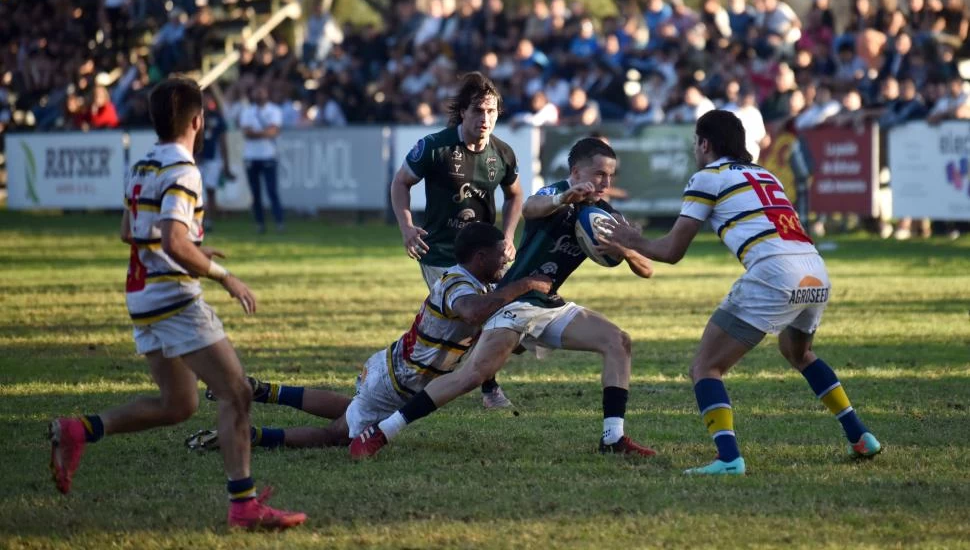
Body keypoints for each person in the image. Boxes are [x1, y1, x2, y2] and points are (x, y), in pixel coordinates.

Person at [47, 77, 306, 530]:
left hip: (142, 296)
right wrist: (224, 276)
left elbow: (130, 232)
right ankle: (243, 505)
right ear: (197, 120)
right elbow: (172, 238)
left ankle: (79, 430)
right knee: (237, 391)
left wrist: (186, 247)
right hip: (172, 298)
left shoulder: (142, 163)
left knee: (179, 404)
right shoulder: (185, 170)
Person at [597, 110, 882, 476]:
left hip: (774, 274)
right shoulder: (765, 174)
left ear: (705, 143)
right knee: (800, 353)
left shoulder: (706, 177)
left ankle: (729, 458)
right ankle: (860, 435)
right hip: (815, 269)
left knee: (705, 367)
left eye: (695, 143)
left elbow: (671, 252)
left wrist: (630, 241)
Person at [350, 138, 657, 460]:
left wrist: (625, 251)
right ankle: (381, 432)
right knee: (474, 375)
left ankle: (613, 437)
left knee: (618, 341)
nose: (606, 183)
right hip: (516, 302)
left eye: (610, 176)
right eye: (599, 174)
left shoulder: (604, 214)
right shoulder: (553, 194)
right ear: (576, 171)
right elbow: (530, 208)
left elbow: (647, 268)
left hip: (549, 303)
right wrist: (565, 197)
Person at [186, 223, 554, 451]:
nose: (505, 263)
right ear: (478, 256)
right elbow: (473, 312)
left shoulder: (476, 283)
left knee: (351, 411)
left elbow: (485, 323)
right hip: (399, 380)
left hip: (392, 368)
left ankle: (261, 390)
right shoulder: (459, 283)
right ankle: (249, 437)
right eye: (499, 257)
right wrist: (522, 285)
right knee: (338, 435)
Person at [389, 72, 524, 409]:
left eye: (492, 112)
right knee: (469, 320)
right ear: (463, 112)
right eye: (478, 111)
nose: (485, 119)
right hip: (440, 253)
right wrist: (407, 227)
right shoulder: (435, 147)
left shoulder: (503, 154)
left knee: (487, 319)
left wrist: (507, 237)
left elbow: (515, 196)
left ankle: (484, 385)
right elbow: (400, 182)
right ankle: (415, 380)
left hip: (484, 255)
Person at [239, 84, 284, 233]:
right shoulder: (247, 111)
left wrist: (256, 133)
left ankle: (279, 221)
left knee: (272, 191)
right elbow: (247, 132)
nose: (259, 95)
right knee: (255, 192)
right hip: (251, 156)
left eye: (262, 91)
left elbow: (274, 131)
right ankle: (260, 223)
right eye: (256, 91)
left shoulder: (274, 110)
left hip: (268, 155)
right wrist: (264, 133)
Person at [199, 91, 235, 230]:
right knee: (194, 191)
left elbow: (223, 140)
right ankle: (195, 220)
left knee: (210, 189)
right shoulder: (194, 117)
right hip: (197, 158)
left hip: (213, 158)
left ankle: (208, 221)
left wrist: (226, 163)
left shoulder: (217, 118)